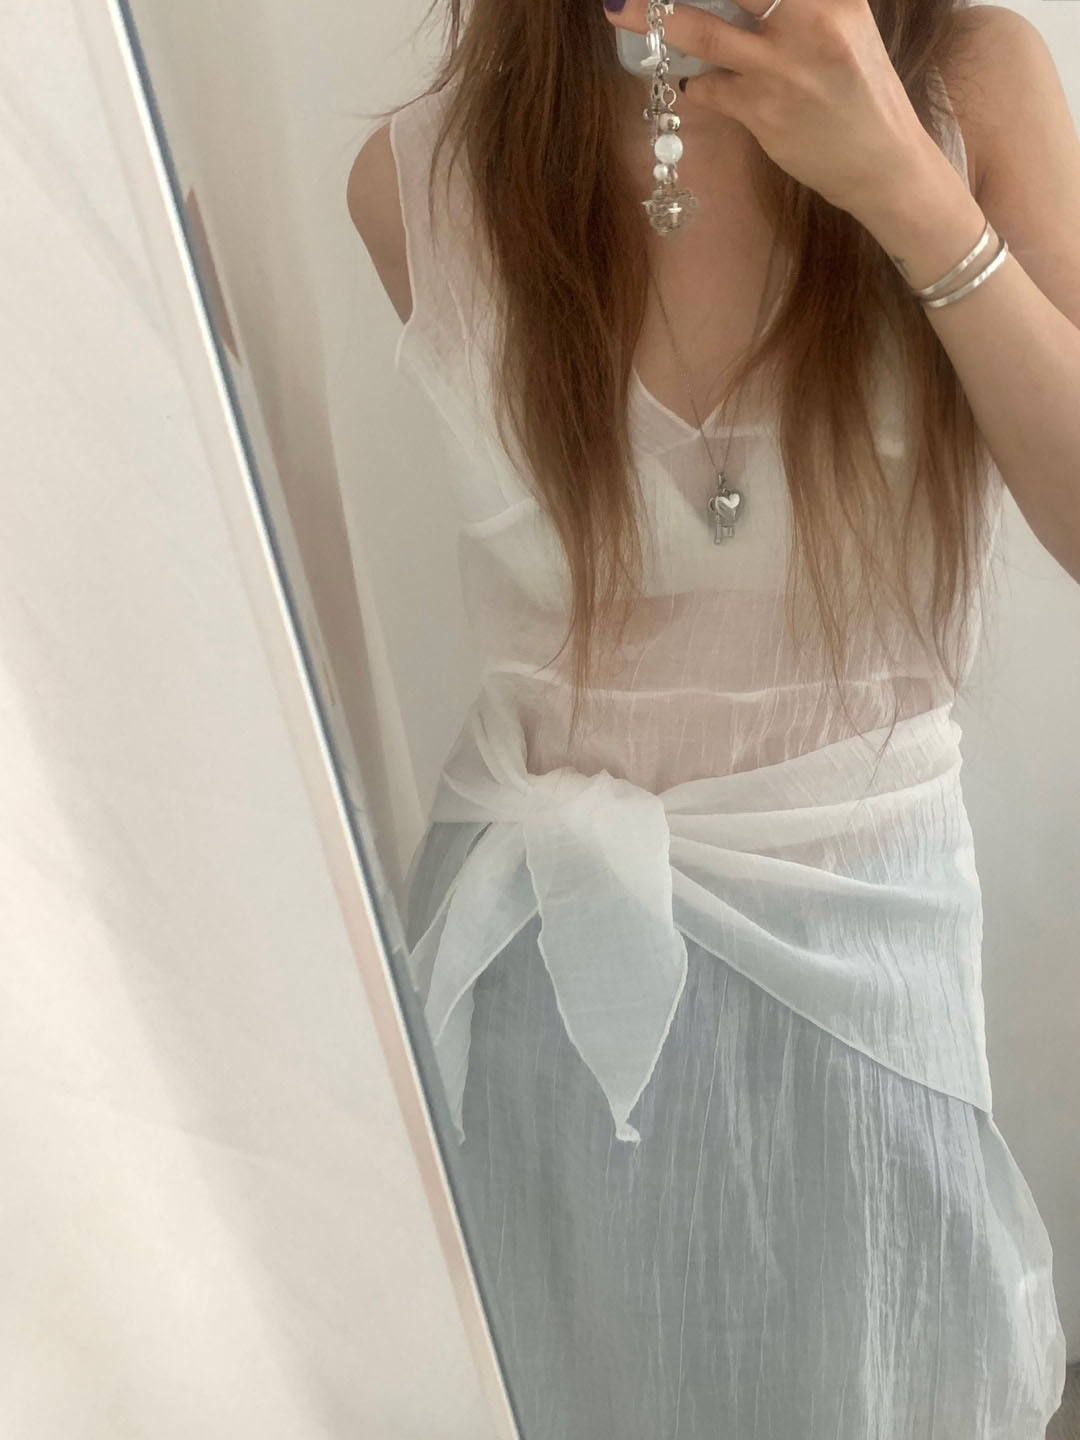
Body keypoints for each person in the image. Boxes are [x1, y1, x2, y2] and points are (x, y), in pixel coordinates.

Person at [347, 0, 1075, 1433]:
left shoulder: (969, 81)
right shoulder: (417, 181)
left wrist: (904, 187)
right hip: (550, 977)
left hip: (865, 961)